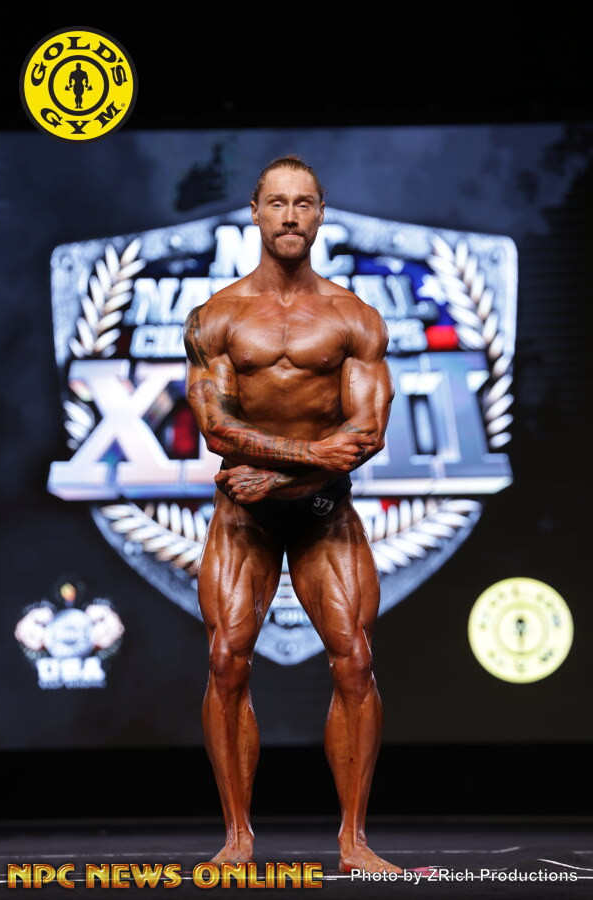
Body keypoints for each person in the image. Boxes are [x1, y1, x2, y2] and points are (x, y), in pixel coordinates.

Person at [183, 156, 400, 874]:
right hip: (242, 517)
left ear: (320, 213)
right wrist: (310, 453)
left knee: (356, 661)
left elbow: (366, 435)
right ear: (255, 212)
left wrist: (280, 473)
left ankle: (354, 841)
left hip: (322, 512)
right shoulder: (217, 317)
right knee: (225, 660)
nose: (290, 216)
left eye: (303, 203)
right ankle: (238, 837)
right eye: (277, 203)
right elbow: (216, 429)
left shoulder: (353, 317)